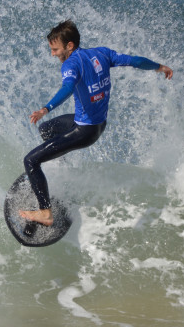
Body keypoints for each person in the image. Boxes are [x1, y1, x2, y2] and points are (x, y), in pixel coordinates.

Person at [19, 20, 173, 226]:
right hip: (96, 123)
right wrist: (159, 67)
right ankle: (60, 169)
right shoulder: (102, 53)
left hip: (84, 131)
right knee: (47, 129)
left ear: (70, 46)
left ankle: (45, 213)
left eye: (55, 49)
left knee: (31, 161)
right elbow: (135, 61)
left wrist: (45, 108)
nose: (53, 54)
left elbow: (68, 88)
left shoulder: (71, 64)